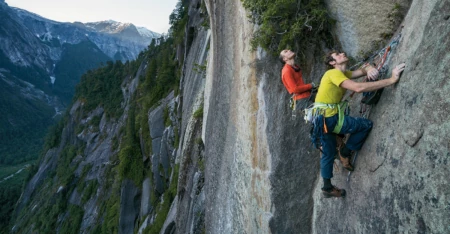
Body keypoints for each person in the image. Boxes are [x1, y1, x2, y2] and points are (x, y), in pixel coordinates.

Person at [313, 50, 405, 198]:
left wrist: (369, 68)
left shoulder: (342, 73)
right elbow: (358, 88)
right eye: (338, 54)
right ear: (332, 63)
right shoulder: (333, 74)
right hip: (329, 120)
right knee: (365, 125)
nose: (342, 53)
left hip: (320, 121)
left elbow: (361, 71)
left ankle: (327, 187)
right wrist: (391, 80)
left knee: (328, 154)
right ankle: (345, 152)